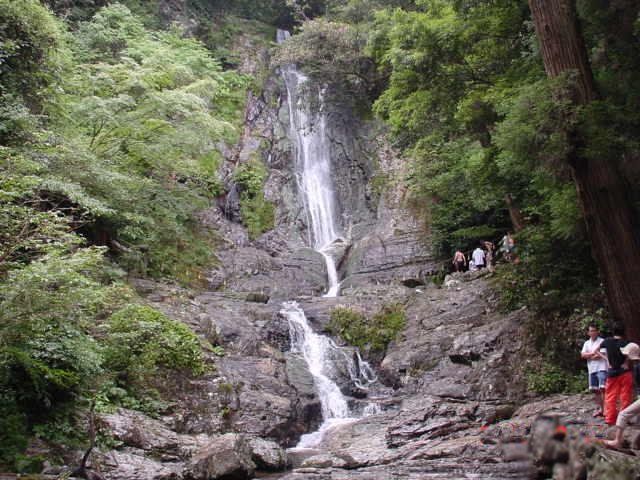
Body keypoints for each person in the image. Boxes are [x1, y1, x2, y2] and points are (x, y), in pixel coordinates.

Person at [604, 342, 640, 448]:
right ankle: (636, 444)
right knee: (638, 421)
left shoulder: (637, 367)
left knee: (623, 415)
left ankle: (617, 441)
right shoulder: (636, 366)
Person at [600, 326, 633, 426]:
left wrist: (608, 360)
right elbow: (631, 354)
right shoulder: (627, 343)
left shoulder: (607, 341)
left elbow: (598, 351)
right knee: (625, 396)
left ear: (613, 332)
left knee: (610, 396)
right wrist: (626, 362)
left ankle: (610, 419)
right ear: (623, 332)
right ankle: (624, 419)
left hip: (612, 372)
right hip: (625, 372)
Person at [580, 324, 607, 417]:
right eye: (591, 331)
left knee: (603, 388)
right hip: (591, 368)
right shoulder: (586, 343)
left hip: (601, 367)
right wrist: (593, 353)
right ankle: (601, 409)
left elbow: (601, 354)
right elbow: (583, 355)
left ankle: (606, 409)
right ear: (588, 333)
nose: (593, 332)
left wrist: (590, 355)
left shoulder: (602, 341)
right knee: (595, 390)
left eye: (594, 330)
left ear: (597, 331)